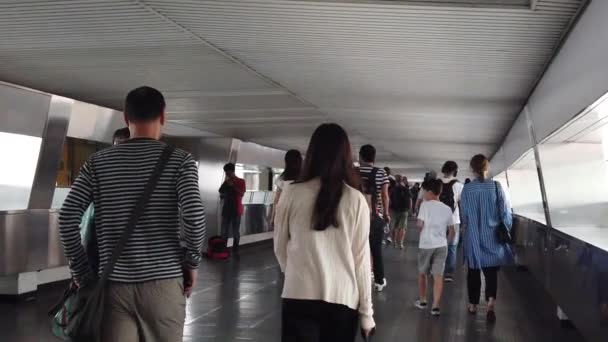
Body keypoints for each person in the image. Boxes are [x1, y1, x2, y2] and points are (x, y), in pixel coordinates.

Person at [59, 86, 206, 342]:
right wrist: (192, 261)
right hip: (163, 283)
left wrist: (82, 272)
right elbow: (193, 215)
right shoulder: (180, 161)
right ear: (163, 116)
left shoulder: (97, 163)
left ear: (126, 118)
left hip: (114, 286)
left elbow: (67, 217)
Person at [274, 123, 375, 342]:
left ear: (311, 153)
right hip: (343, 301)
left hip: (298, 295)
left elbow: (279, 247)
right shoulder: (356, 199)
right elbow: (362, 260)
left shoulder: (291, 192)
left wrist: (294, 272)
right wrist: (367, 313)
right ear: (346, 155)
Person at [461, 154, 514, 323]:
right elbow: (505, 212)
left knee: (474, 272)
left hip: (474, 236)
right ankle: (490, 303)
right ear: (487, 168)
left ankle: (473, 305)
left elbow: (464, 215)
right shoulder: (497, 187)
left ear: (472, 169)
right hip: (492, 237)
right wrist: (505, 226)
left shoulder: (467, 189)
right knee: (491, 273)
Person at [414, 179, 455, 316]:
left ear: (430, 192)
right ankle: (436, 305)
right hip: (441, 245)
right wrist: (446, 242)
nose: (423, 194)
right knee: (438, 275)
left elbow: (419, 225)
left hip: (426, 245)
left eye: (424, 191)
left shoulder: (425, 206)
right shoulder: (447, 208)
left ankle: (423, 300)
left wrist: (421, 229)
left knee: (422, 273)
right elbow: (452, 231)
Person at [359, 144, 390, 292]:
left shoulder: (354, 172)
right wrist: (386, 214)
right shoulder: (381, 173)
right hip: (374, 216)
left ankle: (358, 277)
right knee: (375, 248)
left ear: (360, 156)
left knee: (357, 248)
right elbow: (385, 195)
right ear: (374, 157)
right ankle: (379, 281)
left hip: (356, 217)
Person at [438, 161, 464, 283]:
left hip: (438, 220)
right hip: (454, 220)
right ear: (455, 171)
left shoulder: (437, 183)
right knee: (452, 247)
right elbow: (461, 204)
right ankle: (448, 273)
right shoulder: (459, 185)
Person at [219, 163, 246, 255]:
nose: (226, 174)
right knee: (224, 231)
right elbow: (220, 192)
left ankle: (235, 249)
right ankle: (223, 249)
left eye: (228, 172)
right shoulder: (226, 182)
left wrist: (232, 186)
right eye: (225, 172)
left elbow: (242, 193)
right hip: (226, 209)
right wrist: (223, 193)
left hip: (236, 210)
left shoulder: (241, 181)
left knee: (235, 231)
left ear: (232, 171)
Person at [270, 149, 302, 227]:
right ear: (300, 161)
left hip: (284, 212)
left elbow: (277, 200)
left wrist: (273, 217)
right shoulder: (305, 177)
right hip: (301, 212)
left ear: (286, 162)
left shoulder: (282, 178)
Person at [389, 174, 412, 249]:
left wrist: (388, 210)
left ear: (395, 180)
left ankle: (394, 242)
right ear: (402, 180)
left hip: (394, 210)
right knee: (402, 228)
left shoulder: (392, 189)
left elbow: (389, 200)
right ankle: (401, 243)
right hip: (404, 210)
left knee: (394, 227)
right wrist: (410, 209)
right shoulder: (406, 189)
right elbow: (410, 200)